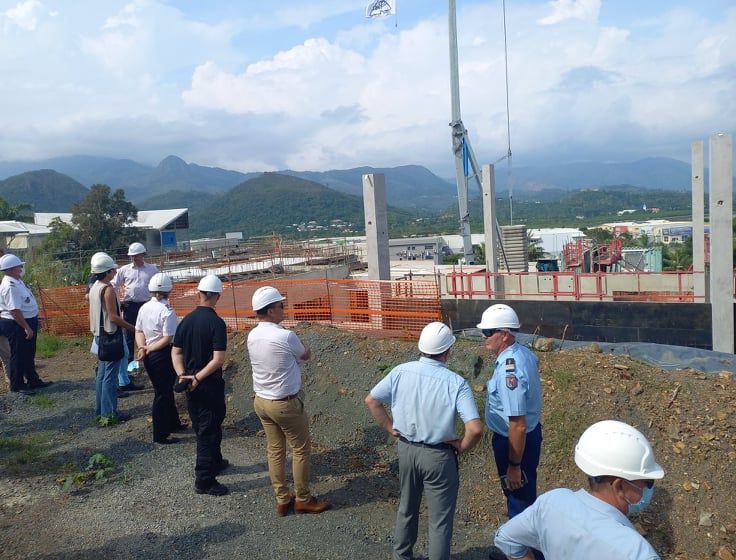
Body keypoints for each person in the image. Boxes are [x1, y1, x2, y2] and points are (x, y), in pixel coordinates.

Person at [365, 321, 483, 560]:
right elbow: (475, 428)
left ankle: (402, 556)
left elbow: (372, 401)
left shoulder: (400, 371)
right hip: (438, 456)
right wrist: (462, 446)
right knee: (439, 521)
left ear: (421, 347)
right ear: (448, 351)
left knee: (407, 508)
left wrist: (390, 428)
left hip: (407, 450)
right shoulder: (456, 383)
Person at [494, 420, 665, 560]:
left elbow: (506, 538)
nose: (648, 489)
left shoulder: (552, 502)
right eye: (647, 482)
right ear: (619, 486)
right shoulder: (637, 552)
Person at [247, 286, 331, 515]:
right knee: (301, 450)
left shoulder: (252, 334)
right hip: (285, 404)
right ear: (271, 311)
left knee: (275, 450)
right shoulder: (285, 335)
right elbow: (305, 355)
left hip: (262, 401)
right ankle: (303, 498)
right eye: (280, 305)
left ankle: (283, 499)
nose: (284, 309)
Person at [478, 304, 543, 520]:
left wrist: (514, 465)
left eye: (488, 332)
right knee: (521, 498)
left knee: (519, 503)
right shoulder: (523, 353)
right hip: (522, 439)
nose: (483, 336)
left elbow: (517, 424)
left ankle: (523, 553)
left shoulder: (510, 370)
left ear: (504, 335)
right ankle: (516, 551)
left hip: (514, 443)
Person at [172, 274, 229, 496]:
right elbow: (218, 359)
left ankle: (215, 461)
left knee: (201, 424)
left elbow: (176, 352)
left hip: (190, 383)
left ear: (199, 293)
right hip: (208, 384)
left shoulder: (185, 320)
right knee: (209, 429)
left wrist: (184, 375)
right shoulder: (216, 323)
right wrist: (199, 378)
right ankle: (204, 479)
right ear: (217, 296)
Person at [135, 273, 186, 444]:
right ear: (168, 291)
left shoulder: (144, 308)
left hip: (150, 354)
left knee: (165, 390)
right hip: (162, 354)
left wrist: (143, 347)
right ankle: (160, 434)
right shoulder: (167, 311)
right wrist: (149, 348)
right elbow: (168, 338)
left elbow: (139, 331)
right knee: (162, 394)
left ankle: (173, 423)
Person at [88, 252, 134, 420]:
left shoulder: (94, 287)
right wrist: (133, 328)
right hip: (110, 336)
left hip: (99, 335)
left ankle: (101, 410)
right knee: (110, 376)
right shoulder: (107, 290)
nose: (115, 272)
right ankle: (110, 413)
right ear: (107, 272)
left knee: (102, 374)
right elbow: (113, 317)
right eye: (112, 270)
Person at [0, 253, 51, 394]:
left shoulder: (17, 281)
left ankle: (33, 380)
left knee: (28, 353)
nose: (21, 268)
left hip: (24, 321)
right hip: (16, 324)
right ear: (11, 269)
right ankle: (18, 386)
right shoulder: (10, 286)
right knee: (18, 355)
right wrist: (26, 327)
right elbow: (14, 310)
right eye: (19, 266)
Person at [112, 242, 157, 391]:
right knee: (129, 338)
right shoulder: (124, 270)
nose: (134, 258)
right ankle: (130, 370)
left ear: (143, 255)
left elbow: (158, 286)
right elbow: (113, 285)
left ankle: (152, 364)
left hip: (146, 306)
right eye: (132, 256)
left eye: (136, 255)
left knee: (149, 335)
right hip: (130, 307)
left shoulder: (152, 269)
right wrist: (118, 302)